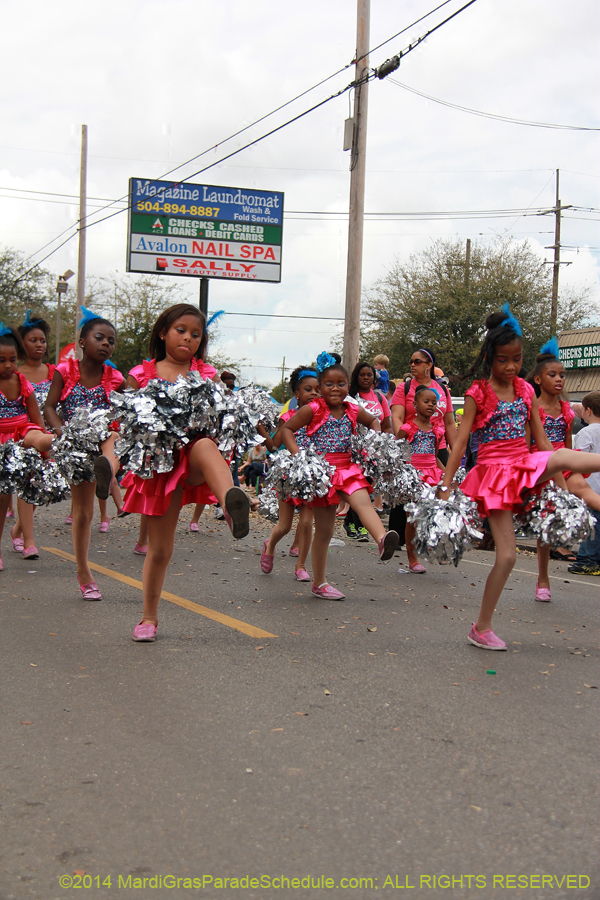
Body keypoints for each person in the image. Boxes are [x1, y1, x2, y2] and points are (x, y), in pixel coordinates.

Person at [439, 308, 600, 651]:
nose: (512, 366)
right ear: (489, 358)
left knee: (561, 456)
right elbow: (461, 443)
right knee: (508, 557)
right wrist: (446, 486)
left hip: (523, 462)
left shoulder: (526, 390)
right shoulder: (478, 393)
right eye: (504, 360)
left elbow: (542, 441)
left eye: (517, 359)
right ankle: (481, 627)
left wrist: (561, 489)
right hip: (493, 475)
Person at [120, 303, 250, 641]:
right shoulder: (141, 373)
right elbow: (126, 422)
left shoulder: (207, 374)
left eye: (196, 334)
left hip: (193, 457)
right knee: (161, 550)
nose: (188, 338)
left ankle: (230, 505)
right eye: (181, 330)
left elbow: (223, 416)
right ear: (163, 332)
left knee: (205, 445)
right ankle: (148, 618)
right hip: (158, 468)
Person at [282, 352, 399, 600]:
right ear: (320, 388)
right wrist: (299, 456)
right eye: (329, 384)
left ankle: (382, 539)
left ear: (348, 386)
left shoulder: (353, 409)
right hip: (322, 473)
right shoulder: (312, 409)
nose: (335, 388)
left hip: (347, 468)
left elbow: (375, 422)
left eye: (341, 384)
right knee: (325, 531)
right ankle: (319, 583)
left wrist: (371, 443)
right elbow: (288, 430)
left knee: (363, 502)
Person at [44, 309, 125, 599]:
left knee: (113, 437)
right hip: (74, 447)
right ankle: (83, 571)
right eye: (99, 338)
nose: (106, 344)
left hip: (103, 442)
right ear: (82, 342)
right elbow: (50, 407)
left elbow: (121, 414)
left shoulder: (115, 378)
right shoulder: (65, 371)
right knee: (84, 513)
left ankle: (108, 471)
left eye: (111, 341)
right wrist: (61, 433)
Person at [527, 342, 600, 596]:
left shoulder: (567, 410)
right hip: (540, 465)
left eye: (562, 375)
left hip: (564, 461)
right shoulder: (532, 409)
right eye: (553, 375)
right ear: (538, 379)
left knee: (586, 492)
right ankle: (543, 579)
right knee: (545, 527)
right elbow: (527, 444)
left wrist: (571, 466)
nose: (559, 379)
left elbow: (568, 445)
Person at [0, 324, 53, 567]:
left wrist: (42, 445)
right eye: (1, 360)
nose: (8, 365)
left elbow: (36, 417)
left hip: (22, 434)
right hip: (1, 440)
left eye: (12, 360)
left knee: (27, 486)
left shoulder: (22, 382)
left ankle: (29, 540)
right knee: (3, 496)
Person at [260, 365, 318, 582]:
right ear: (297, 394)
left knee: (307, 523)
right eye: (308, 389)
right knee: (284, 526)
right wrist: (260, 429)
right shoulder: (288, 417)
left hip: (312, 476)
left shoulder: (323, 417)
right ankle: (270, 545)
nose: (314, 393)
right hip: (289, 476)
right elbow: (274, 446)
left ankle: (301, 566)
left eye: (317, 390)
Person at [10, 311, 57, 553]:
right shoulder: (13, 373)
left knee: (40, 487)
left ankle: (18, 528)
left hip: (47, 436)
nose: (39, 344)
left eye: (43, 340)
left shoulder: (55, 373)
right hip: (22, 437)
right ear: (22, 344)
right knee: (25, 483)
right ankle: (29, 541)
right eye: (33, 340)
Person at [398, 385, 445, 575]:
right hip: (414, 476)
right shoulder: (407, 429)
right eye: (426, 401)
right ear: (415, 404)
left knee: (436, 512)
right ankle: (412, 558)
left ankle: (433, 546)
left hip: (433, 475)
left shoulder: (437, 430)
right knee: (413, 519)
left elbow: (434, 456)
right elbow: (398, 455)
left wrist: (447, 474)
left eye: (434, 402)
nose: (431, 405)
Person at [345, 361, 391, 536]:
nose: (366, 378)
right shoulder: (349, 397)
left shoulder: (380, 398)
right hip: (354, 450)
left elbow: (386, 425)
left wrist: (387, 444)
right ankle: (360, 527)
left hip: (374, 450)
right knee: (360, 486)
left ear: (374, 378)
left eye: (369, 375)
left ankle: (350, 522)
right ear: (356, 377)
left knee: (366, 485)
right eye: (362, 375)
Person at [568, 391, 600, 576]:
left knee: (590, 526)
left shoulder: (586, 432)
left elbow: (578, 458)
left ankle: (587, 560)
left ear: (588, 411)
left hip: (590, 487)